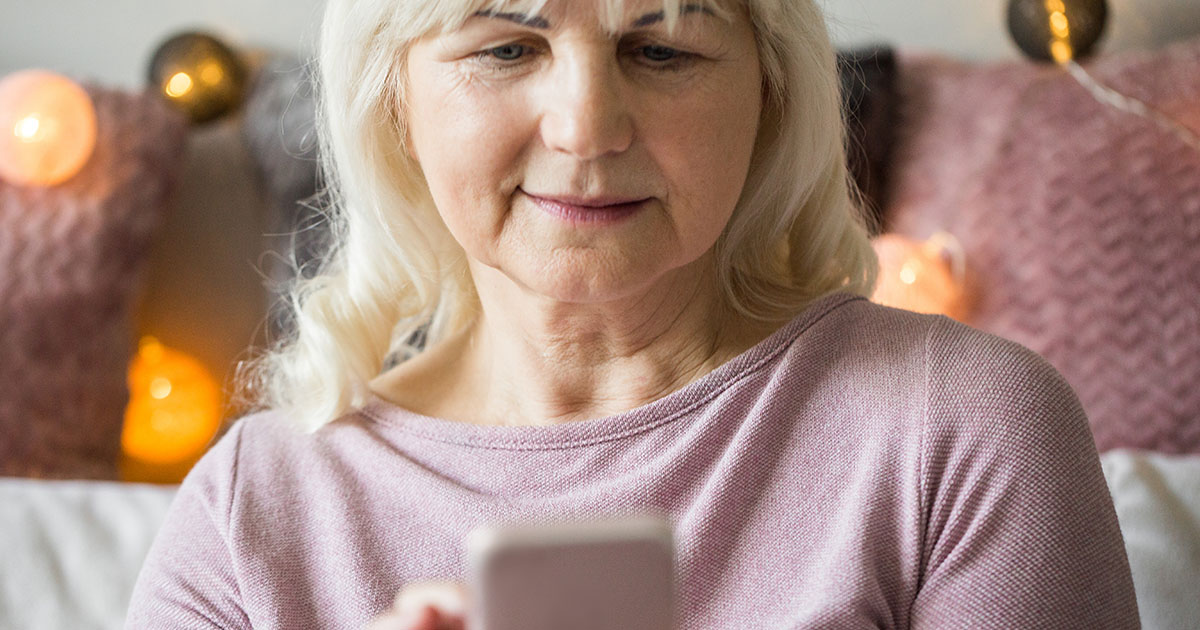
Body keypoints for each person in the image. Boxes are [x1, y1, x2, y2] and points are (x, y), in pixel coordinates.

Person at [125, 0, 1141, 628]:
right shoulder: (252, 506)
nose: (588, 126)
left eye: (663, 49)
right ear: (395, 98)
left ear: (772, 91)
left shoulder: (963, 429)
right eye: (506, 46)